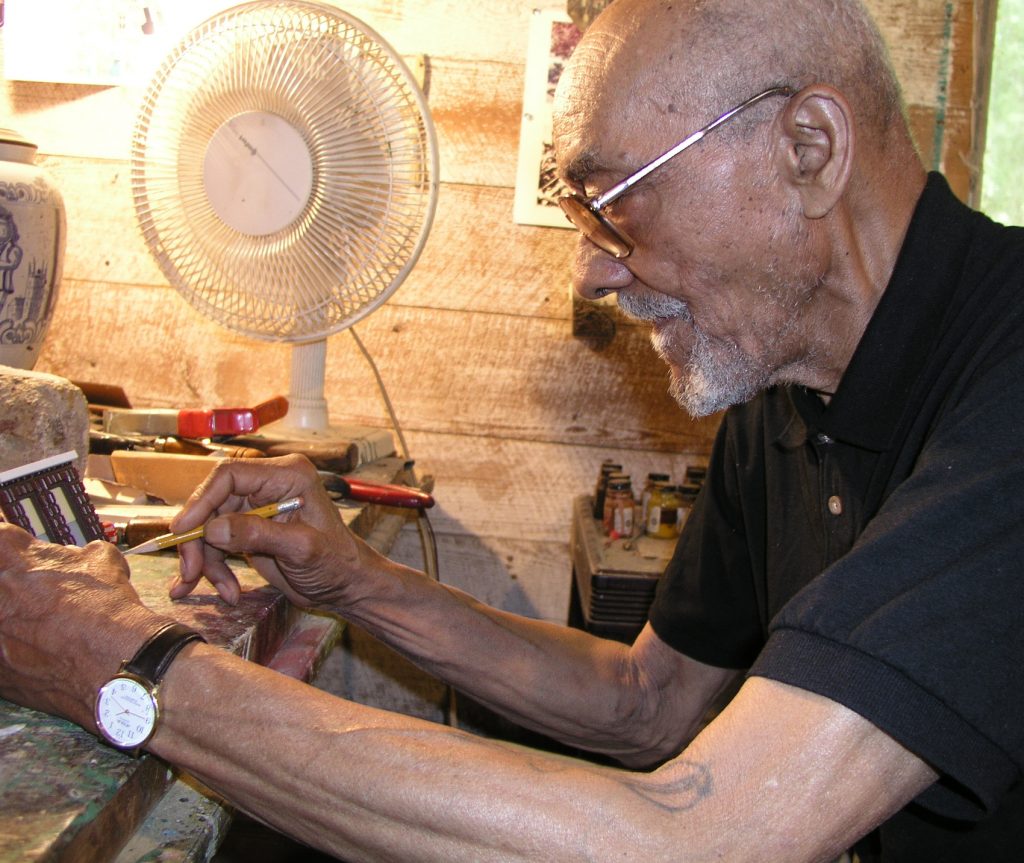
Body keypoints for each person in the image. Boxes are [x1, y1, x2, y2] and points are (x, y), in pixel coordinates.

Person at [1, 0, 1022, 859]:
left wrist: (127, 664)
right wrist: (355, 578)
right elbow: (646, 697)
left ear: (810, 148)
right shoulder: (786, 388)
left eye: (614, 203)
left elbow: (705, 836)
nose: (589, 270)